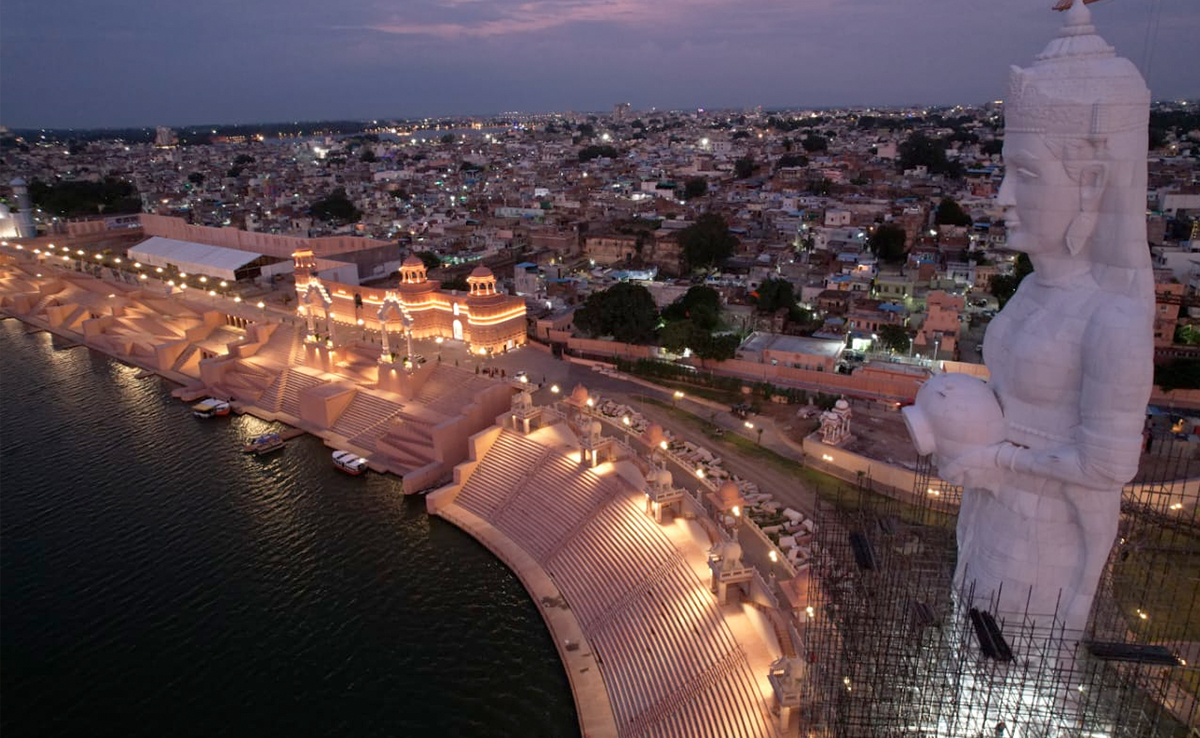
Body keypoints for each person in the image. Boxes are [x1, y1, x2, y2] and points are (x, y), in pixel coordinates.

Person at [928, 1, 1154, 635]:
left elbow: (1106, 468)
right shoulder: (1032, 290)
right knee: (967, 645)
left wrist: (999, 461)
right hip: (988, 509)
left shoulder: (1112, 317)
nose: (1001, 199)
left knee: (1015, 669)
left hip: (1045, 537)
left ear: (1091, 184)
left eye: (1024, 174)